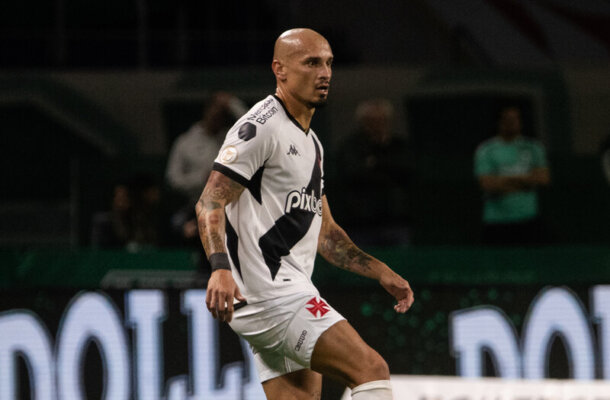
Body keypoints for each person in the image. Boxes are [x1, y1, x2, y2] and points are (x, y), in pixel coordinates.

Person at [195, 28, 414, 400]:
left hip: (282, 291)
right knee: (370, 370)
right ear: (279, 69)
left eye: (328, 63)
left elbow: (326, 235)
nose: (324, 73)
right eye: (311, 63)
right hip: (271, 294)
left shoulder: (312, 143)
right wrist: (219, 267)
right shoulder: (260, 127)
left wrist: (381, 271)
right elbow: (209, 202)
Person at [334, 98, 412, 246]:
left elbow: (406, 171)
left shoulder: (399, 146)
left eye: (382, 120)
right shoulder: (350, 147)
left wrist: (375, 163)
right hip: (360, 223)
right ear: (362, 122)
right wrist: (386, 170)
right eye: (371, 121)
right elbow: (352, 174)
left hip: (396, 221)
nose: (377, 125)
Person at [474, 105, 551, 246]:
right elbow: (487, 184)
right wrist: (525, 182)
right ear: (499, 122)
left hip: (528, 220)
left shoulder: (533, 148)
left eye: (515, 119)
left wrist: (502, 182)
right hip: (496, 222)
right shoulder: (486, 150)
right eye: (507, 119)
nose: (511, 122)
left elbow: (543, 179)